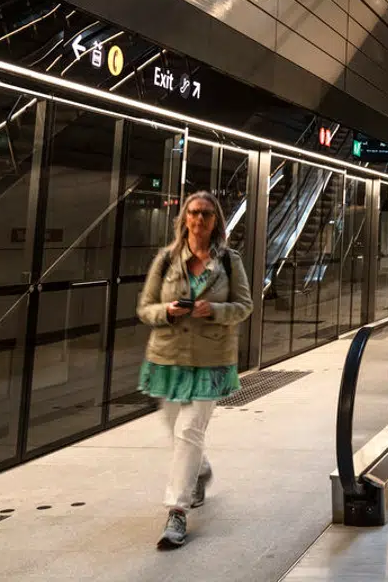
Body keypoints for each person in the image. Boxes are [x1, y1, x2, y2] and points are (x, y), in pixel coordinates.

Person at [137, 191, 253, 549]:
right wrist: (167, 312)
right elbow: (145, 308)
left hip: (210, 361)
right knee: (177, 431)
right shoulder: (166, 259)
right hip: (167, 359)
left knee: (188, 431)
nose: (199, 220)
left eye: (205, 214)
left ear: (215, 220)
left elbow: (244, 305)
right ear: (183, 218)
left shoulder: (229, 262)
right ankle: (200, 470)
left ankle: (177, 511)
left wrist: (215, 312)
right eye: (193, 213)